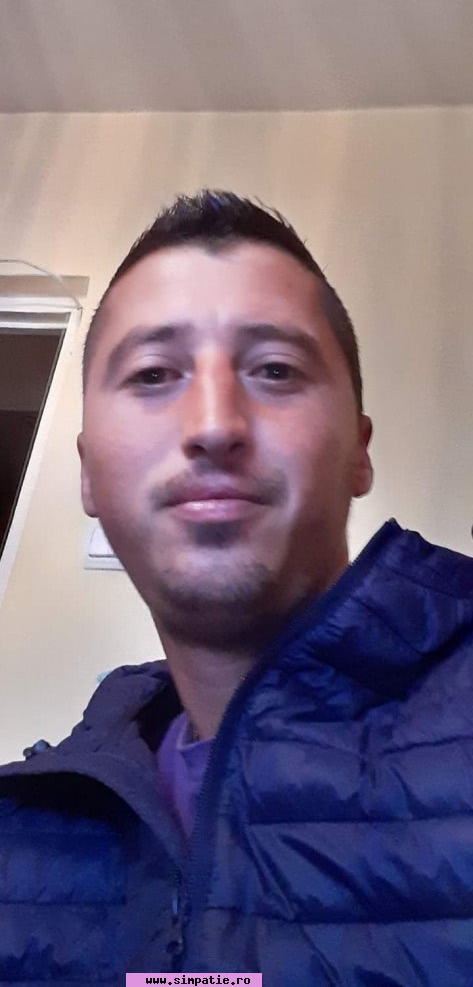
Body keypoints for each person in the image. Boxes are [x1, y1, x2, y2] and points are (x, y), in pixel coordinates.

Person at [0, 190, 472, 986]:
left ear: (358, 452)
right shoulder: (22, 829)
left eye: (274, 370)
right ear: (86, 474)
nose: (214, 425)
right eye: (153, 373)